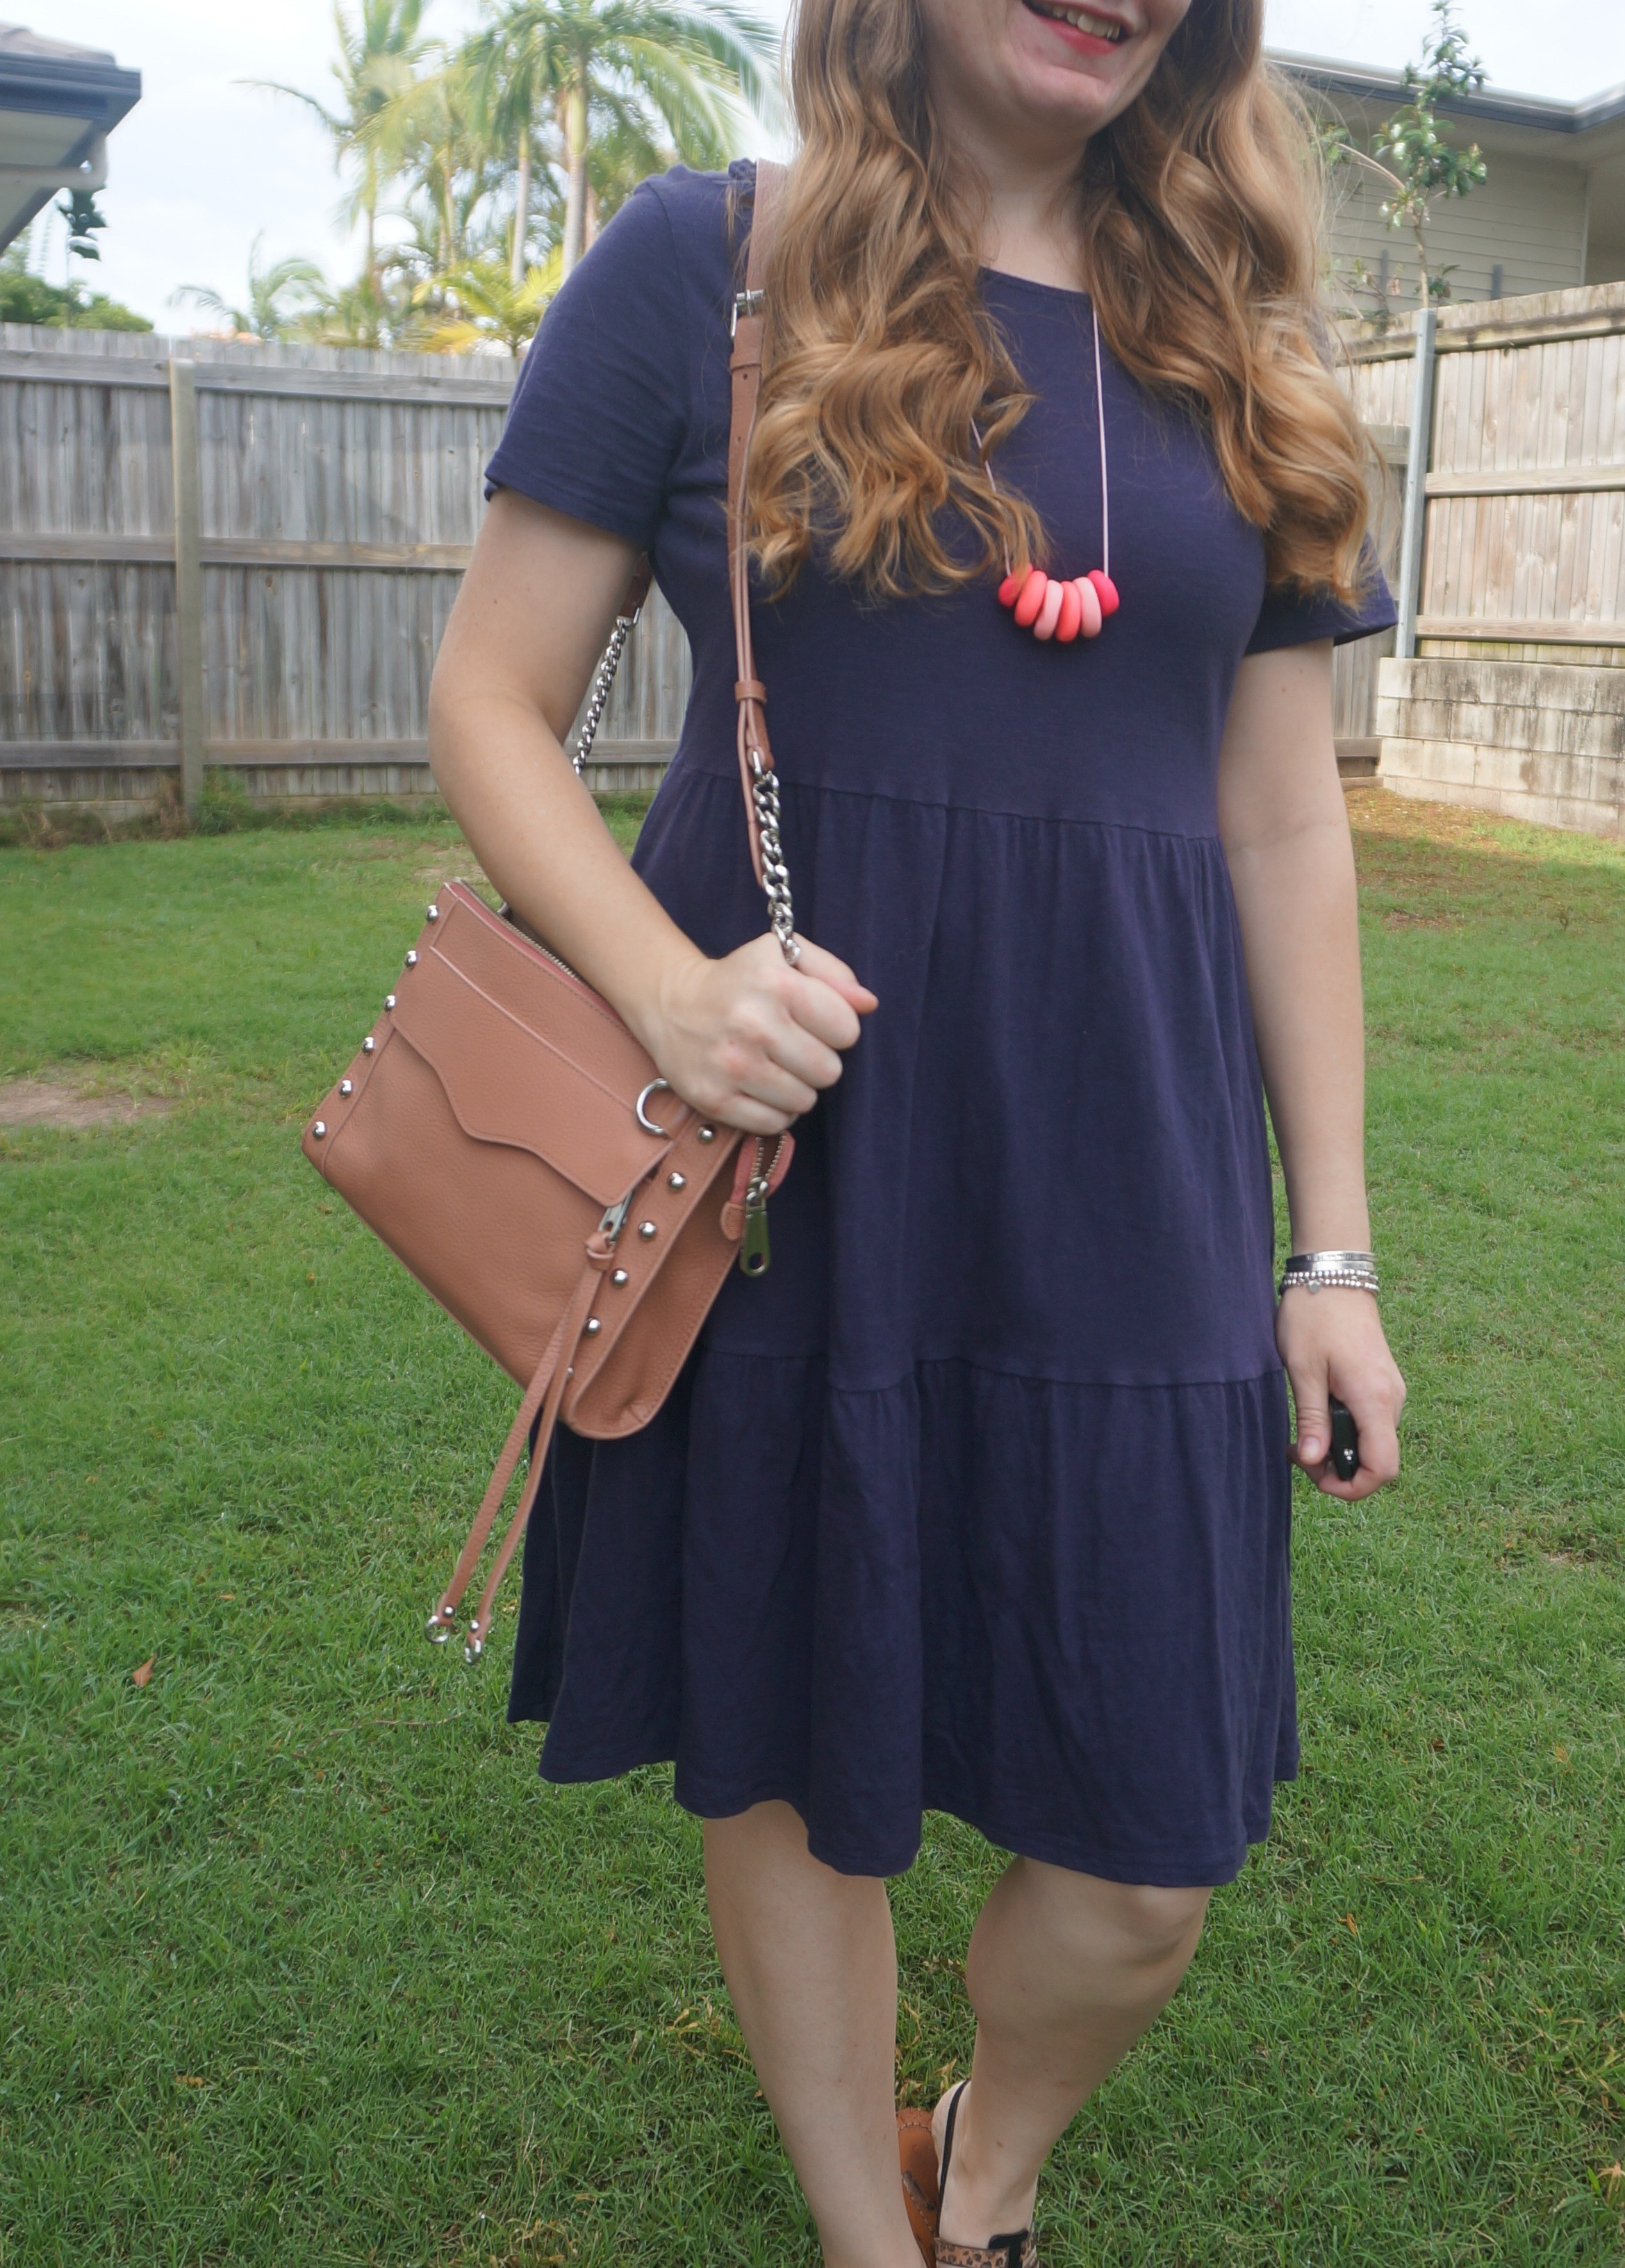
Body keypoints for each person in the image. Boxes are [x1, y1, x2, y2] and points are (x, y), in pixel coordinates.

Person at [424, 1, 1407, 2260]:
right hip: (799, 1172)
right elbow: (489, 695)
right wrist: (669, 998)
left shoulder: (1240, 343)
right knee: (795, 1749)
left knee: (1148, 1861)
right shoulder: (708, 268)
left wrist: (1330, 1251)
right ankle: (891, 2243)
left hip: (1133, 1165)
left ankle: (989, 2155)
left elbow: (1283, 828)